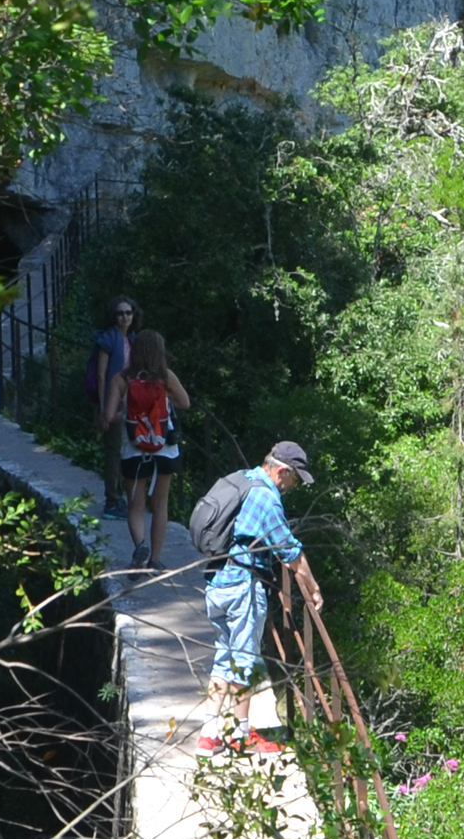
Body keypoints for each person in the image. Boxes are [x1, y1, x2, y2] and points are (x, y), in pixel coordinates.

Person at [190, 442, 310, 757]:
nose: (293, 487)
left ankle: (209, 733)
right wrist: (313, 589)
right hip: (243, 584)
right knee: (244, 661)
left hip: (217, 581)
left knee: (224, 657)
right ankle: (238, 735)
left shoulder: (243, 478)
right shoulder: (266, 496)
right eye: (295, 479)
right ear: (282, 471)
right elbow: (289, 551)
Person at [115, 330, 192, 567]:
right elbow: (185, 403)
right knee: (161, 504)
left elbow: (109, 414)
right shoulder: (165, 377)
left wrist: (126, 414)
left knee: (135, 505)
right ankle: (156, 560)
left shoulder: (122, 379)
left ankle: (140, 547)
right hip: (164, 448)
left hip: (133, 449)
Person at [87, 298, 140, 517]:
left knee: (125, 450)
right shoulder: (108, 339)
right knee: (114, 450)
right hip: (113, 401)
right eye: (120, 313)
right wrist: (103, 407)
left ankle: (120, 497)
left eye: (128, 313)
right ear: (113, 316)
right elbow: (101, 374)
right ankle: (112, 501)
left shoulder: (131, 338)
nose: (125, 317)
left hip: (129, 402)